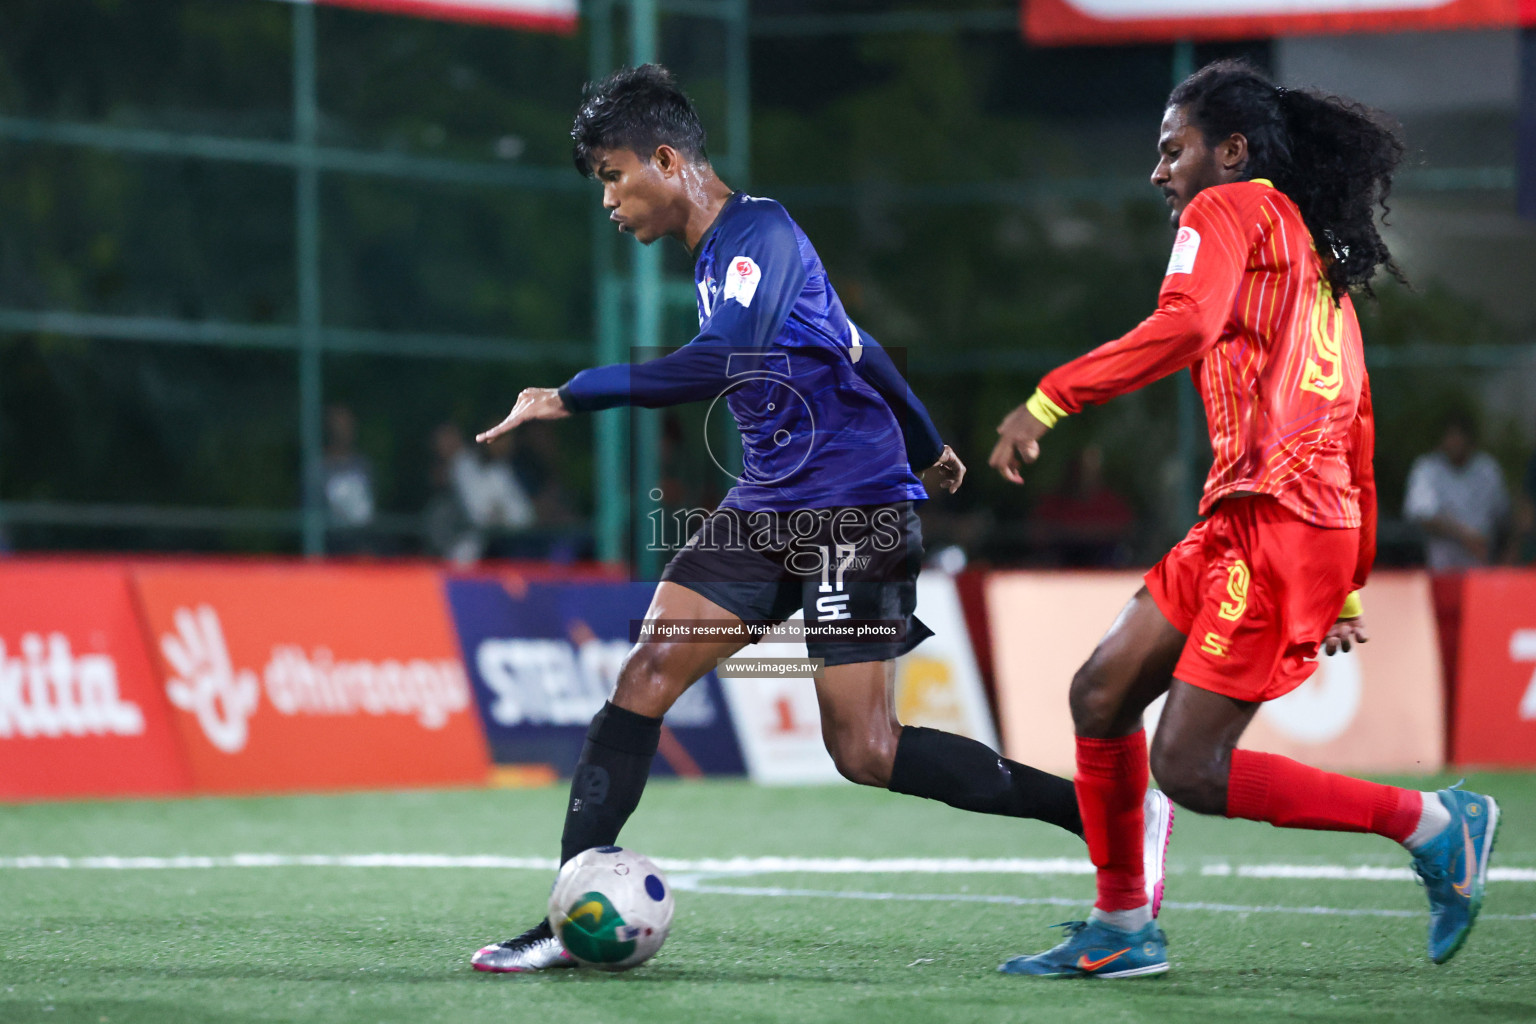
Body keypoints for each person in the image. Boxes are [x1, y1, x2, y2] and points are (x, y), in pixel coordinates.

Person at [467, 64, 1174, 973]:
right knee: (646, 671)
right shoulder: (725, 255)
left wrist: (576, 394)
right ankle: (568, 915)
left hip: (854, 508)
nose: (607, 198)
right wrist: (929, 437)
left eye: (612, 175)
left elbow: (727, 360)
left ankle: (1109, 812)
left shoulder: (758, 231)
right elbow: (856, 341)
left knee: (865, 749)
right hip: (768, 500)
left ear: (667, 159)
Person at [988, 60, 1499, 978]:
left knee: (1190, 767)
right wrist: (1346, 583)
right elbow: (1359, 426)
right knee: (1100, 693)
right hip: (1270, 516)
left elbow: (1183, 326)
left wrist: (1051, 399)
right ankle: (1122, 927)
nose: (1159, 172)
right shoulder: (1313, 257)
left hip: (1276, 517)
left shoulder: (1222, 211)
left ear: (1231, 151)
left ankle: (1433, 824)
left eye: (1171, 149)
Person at [1404, 411, 1510, 571]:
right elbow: (1422, 516)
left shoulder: (1488, 469)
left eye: (1460, 436)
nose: (1455, 442)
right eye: (1450, 436)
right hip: (1439, 569)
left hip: (1481, 567)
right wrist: (1464, 536)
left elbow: (1503, 518)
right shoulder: (1427, 468)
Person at [322, 404, 376, 554]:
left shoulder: (363, 465)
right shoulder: (318, 468)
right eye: (338, 424)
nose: (343, 430)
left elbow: (368, 513)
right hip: (330, 545)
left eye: (347, 424)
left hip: (360, 543)